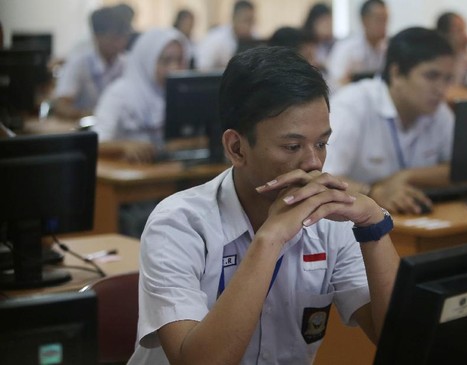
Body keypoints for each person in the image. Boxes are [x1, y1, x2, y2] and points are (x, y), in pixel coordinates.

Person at [125, 46, 400, 364]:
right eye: (292, 146)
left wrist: (373, 225)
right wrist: (270, 239)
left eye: (322, 143)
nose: (314, 163)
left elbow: (400, 341)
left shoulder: (329, 222)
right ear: (237, 148)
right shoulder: (177, 224)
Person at [323, 28, 455, 215]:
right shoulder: (352, 106)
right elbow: (323, 178)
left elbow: (458, 170)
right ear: (396, 74)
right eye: (431, 76)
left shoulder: (438, 111)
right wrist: (373, 192)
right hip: (350, 224)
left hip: (408, 215)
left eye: (448, 79)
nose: (442, 89)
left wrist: (405, 177)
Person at [92, 28, 188, 163]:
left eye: (179, 60)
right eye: (166, 61)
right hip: (126, 172)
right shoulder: (120, 93)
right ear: (147, 60)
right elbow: (96, 143)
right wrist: (124, 146)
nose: (174, 68)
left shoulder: (182, 94)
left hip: (167, 170)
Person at [52, 5, 131, 120]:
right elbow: (61, 106)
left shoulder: (127, 63)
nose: (120, 43)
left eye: (124, 37)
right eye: (114, 38)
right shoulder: (79, 63)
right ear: (97, 37)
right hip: (86, 128)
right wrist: (90, 114)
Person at [326, 0, 388, 91]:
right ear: (364, 20)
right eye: (379, 19)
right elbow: (334, 83)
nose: (384, 25)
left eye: (385, 19)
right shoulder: (346, 48)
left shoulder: (388, 48)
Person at [195, 0, 256, 70]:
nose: (249, 26)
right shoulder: (215, 39)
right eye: (246, 21)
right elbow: (202, 69)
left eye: (252, 21)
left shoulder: (254, 38)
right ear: (234, 18)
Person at [303, 3, 334, 72]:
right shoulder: (304, 44)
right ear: (313, 22)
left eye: (330, 22)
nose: (328, 26)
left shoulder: (330, 44)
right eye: (325, 22)